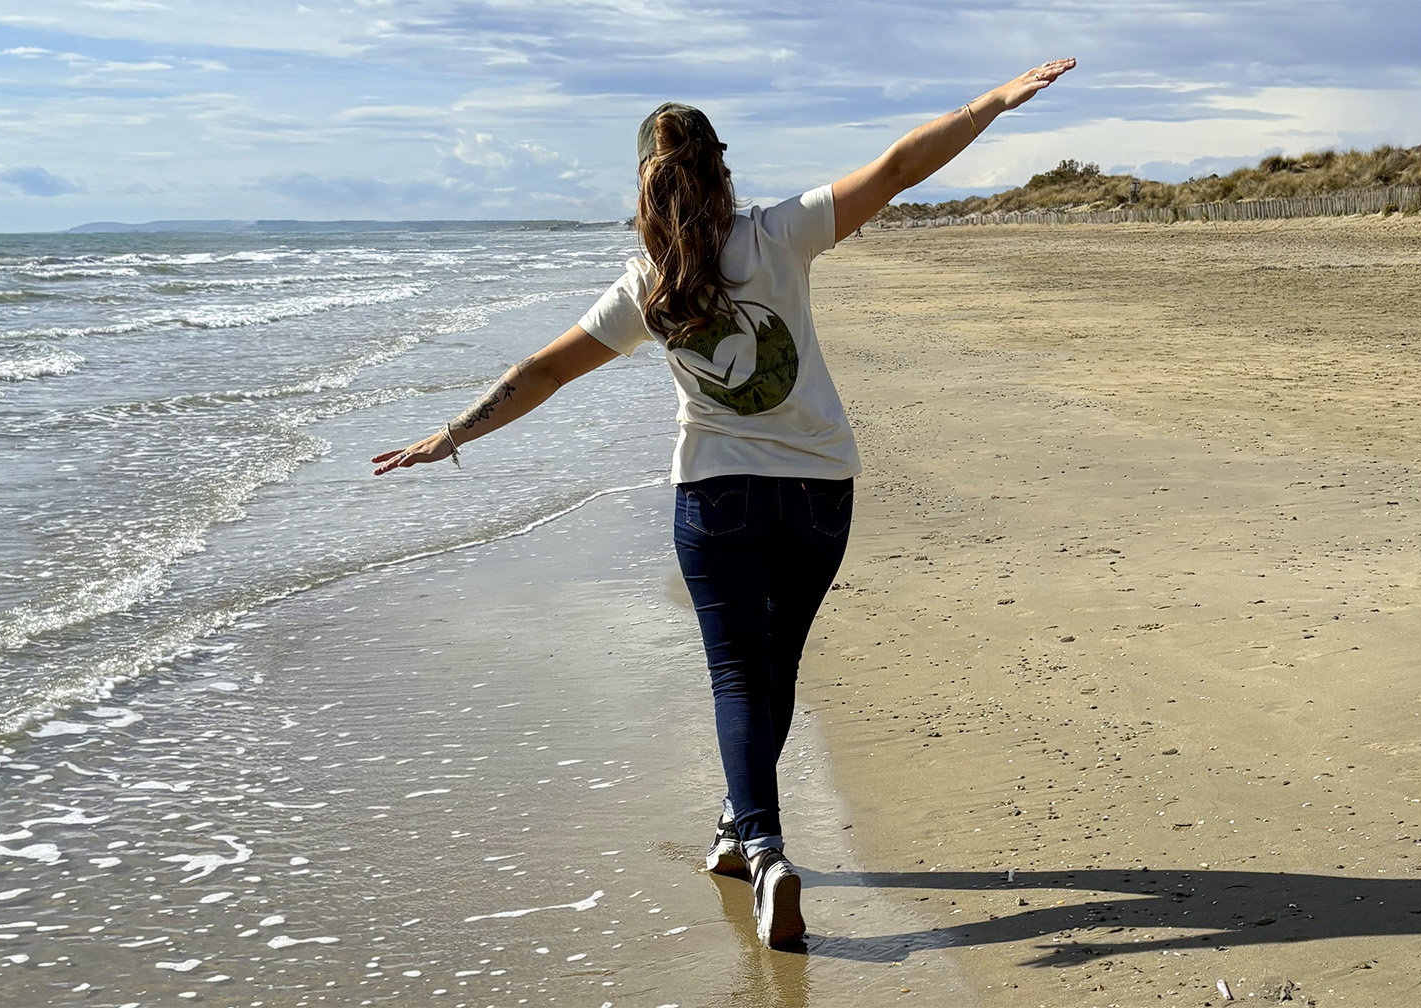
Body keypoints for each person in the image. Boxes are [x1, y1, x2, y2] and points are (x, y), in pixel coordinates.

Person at [372, 56, 1077, 948]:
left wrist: (453, 434)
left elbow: (543, 370)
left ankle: (762, 847)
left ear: (646, 187)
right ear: (721, 167)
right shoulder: (780, 234)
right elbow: (899, 167)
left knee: (743, 675)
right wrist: (992, 104)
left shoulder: (646, 287)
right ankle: (743, 834)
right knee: (772, 669)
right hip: (820, 493)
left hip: (716, 501)